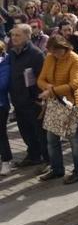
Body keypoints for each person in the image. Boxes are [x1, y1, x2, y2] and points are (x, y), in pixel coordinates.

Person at [37, 35, 78, 184]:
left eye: (57, 52)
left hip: (71, 104)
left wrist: (52, 91)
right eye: (52, 52)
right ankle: (57, 169)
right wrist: (48, 87)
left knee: (74, 139)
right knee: (51, 139)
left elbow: (74, 84)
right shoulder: (50, 58)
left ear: (64, 47)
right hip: (54, 105)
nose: (55, 55)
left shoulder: (75, 59)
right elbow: (41, 79)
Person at [8, 24, 48, 170]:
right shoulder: (12, 52)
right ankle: (33, 155)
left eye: (17, 35)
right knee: (25, 131)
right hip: (17, 100)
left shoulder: (36, 54)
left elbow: (42, 78)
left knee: (39, 132)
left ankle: (46, 160)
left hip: (32, 101)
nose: (14, 38)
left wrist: (38, 99)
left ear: (27, 36)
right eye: (12, 35)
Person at [0, 41, 12, 175]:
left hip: (1, 104)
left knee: (1, 134)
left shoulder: (4, 63)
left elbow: (2, 85)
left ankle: (6, 160)